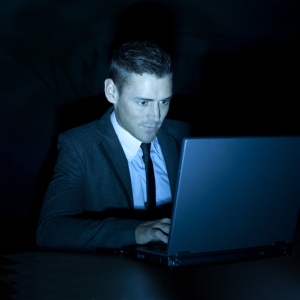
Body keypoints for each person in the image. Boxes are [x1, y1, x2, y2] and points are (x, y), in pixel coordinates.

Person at [36, 41, 191, 252]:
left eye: (164, 102)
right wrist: (135, 232)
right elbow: (50, 230)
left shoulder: (186, 135)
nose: (156, 117)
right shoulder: (79, 146)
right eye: (143, 102)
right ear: (111, 92)